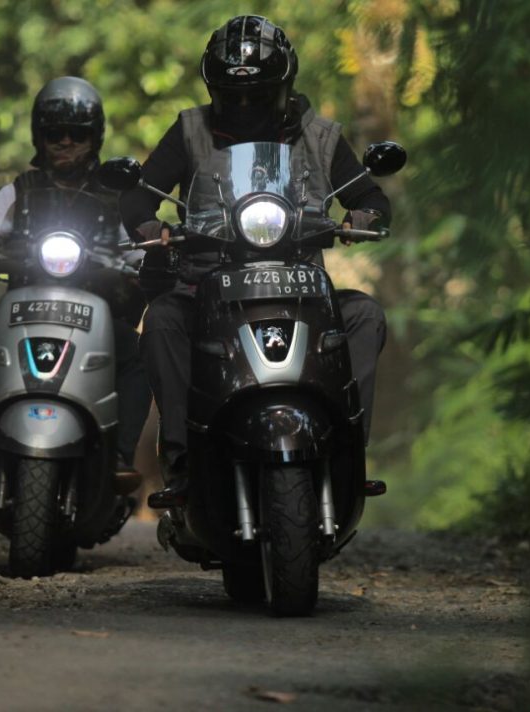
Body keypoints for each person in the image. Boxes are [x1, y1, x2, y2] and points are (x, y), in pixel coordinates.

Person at [120, 15, 390, 501]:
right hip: (206, 284)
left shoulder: (321, 136)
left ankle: (350, 449)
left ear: (283, 87)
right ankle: (182, 459)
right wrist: (150, 227)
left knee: (365, 315)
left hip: (301, 287)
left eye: (258, 95)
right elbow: (139, 195)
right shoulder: (190, 129)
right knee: (161, 320)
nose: (244, 107)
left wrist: (360, 218)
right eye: (232, 95)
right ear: (214, 90)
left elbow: (369, 196)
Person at [0, 76, 151, 488]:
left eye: (76, 133)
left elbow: (137, 247)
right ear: (39, 137)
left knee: (143, 352)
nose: (65, 142)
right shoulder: (18, 191)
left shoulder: (115, 195)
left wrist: (149, 263)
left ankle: (119, 454)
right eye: (54, 133)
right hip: (25, 314)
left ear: (94, 138)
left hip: (96, 320)